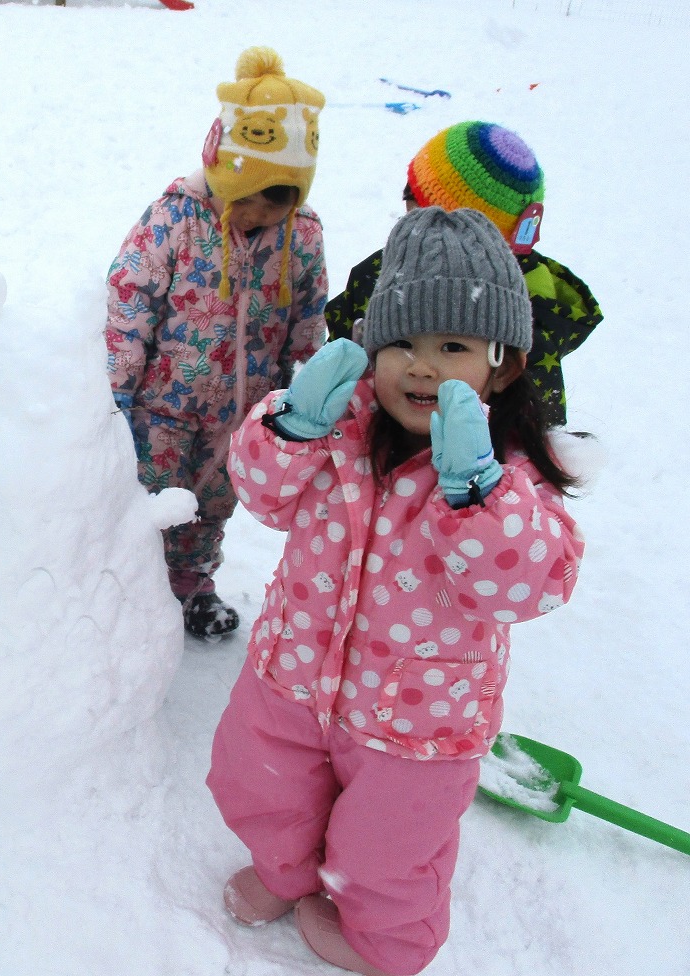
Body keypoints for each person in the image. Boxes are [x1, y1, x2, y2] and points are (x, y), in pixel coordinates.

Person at [206, 207, 586, 975]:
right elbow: (262, 495)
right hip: (293, 676)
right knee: (261, 786)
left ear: (501, 365)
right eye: (401, 345)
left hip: (416, 720)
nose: (421, 366)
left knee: (388, 855)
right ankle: (286, 876)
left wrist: (475, 495)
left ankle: (383, 946)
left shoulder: (508, 472)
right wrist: (289, 427)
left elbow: (532, 586)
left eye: (452, 347)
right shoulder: (338, 429)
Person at [105, 46, 328, 638]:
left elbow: (308, 320)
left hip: (243, 410)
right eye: (245, 195)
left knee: (211, 507)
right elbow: (129, 304)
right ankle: (129, 593)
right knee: (151, 502)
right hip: (162, 407)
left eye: (274, 200)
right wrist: (116, 392)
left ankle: (190, 587)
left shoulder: (301, 237)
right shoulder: (175, 218)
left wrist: (299, 395)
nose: (255, 213)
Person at [325, 121, 601, 427]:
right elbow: (334, 366)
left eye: (422, 210)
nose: (409, 221)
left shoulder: (526, 322)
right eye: (409, 198)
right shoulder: (378, 273)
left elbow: (534, 437)